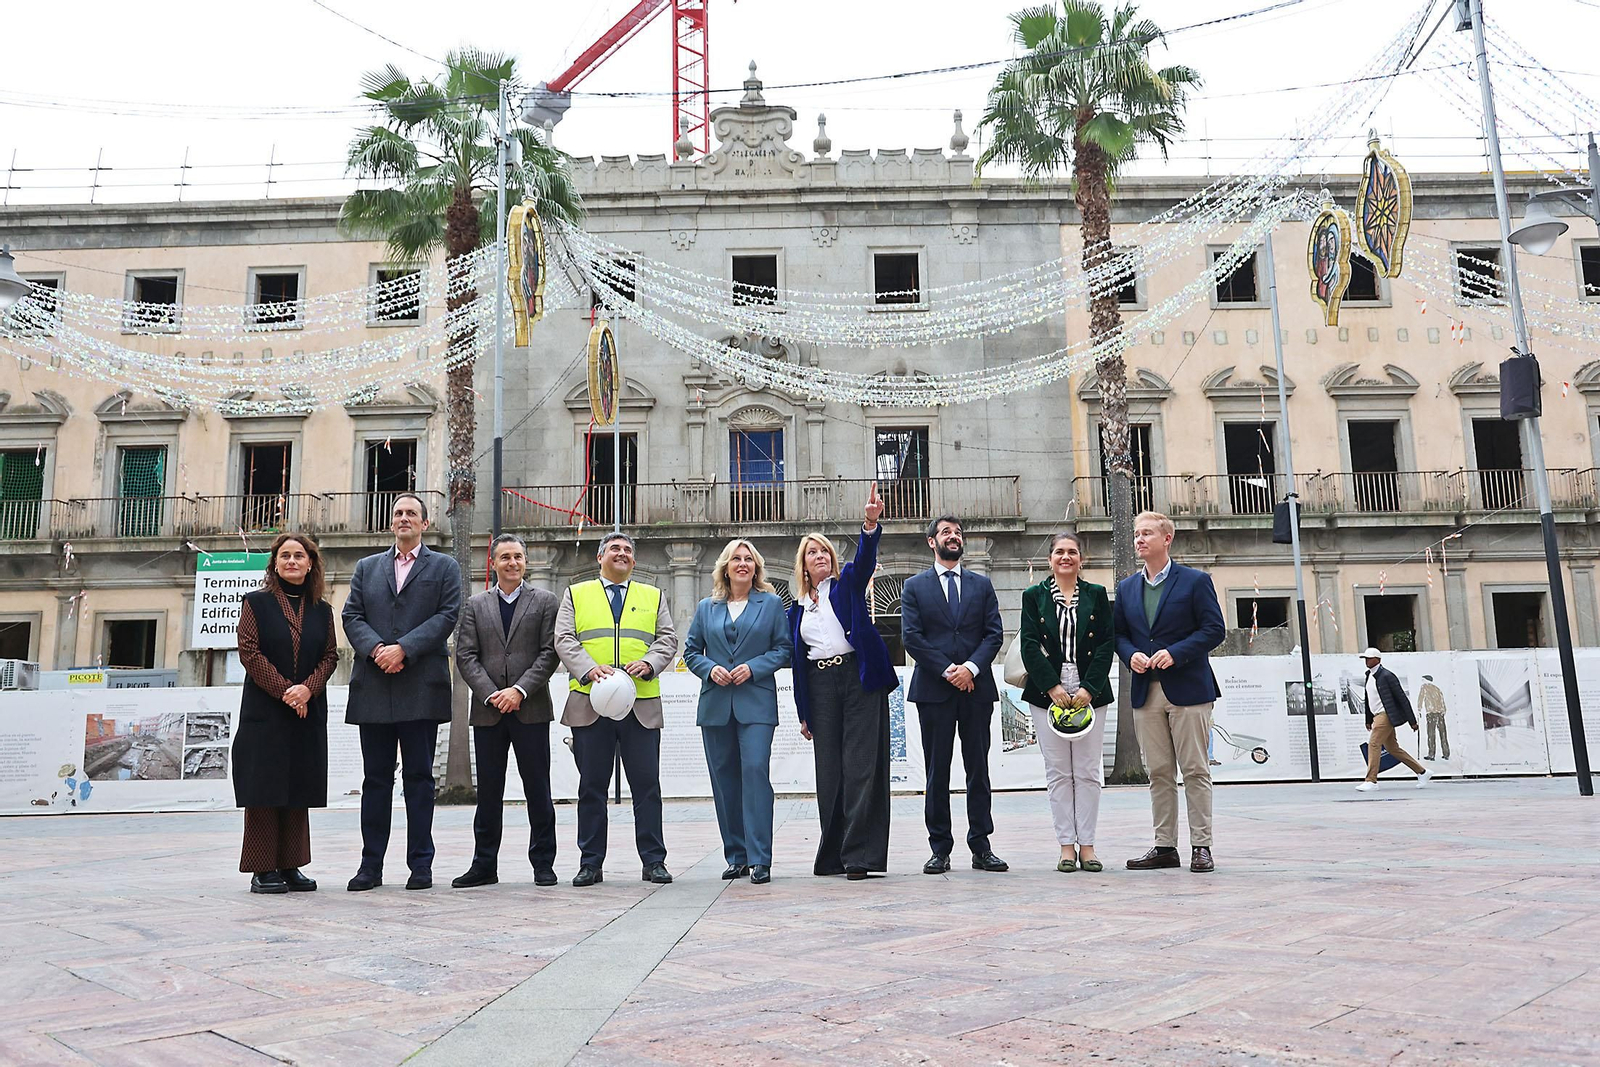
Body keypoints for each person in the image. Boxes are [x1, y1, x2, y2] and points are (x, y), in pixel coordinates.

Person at [341, 492, 461, 892]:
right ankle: (370, 866)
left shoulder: (444, 566)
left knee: (419, 779)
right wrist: (377, 649)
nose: (404, 518)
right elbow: (351, 615)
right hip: (373, 684)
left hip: (419, 687)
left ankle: (420, 866)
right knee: (375, 780)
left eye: (412, 513)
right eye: (398, 513)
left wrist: (404, 649)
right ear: (391, 523)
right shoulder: (366, 567)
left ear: (425, 524)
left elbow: (447, 615)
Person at [554, 531, 679, 887]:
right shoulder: (576, 594)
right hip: (590, 704)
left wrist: (651, 663)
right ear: (600, 557)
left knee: (647, 786)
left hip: (640, 704)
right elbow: (563, 638)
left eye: (627, 550)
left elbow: (667, 638)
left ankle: (654, 861)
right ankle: (590, 863)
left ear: (634, 561)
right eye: (614, 549)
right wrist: (588, 668)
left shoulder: (653, 595)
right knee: (592, 786)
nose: (621, 553)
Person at [790, 486, 896, 881]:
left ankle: (860, 857)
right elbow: (798, 665)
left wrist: (869, 523)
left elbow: (865, 560)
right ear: (803, 564)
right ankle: (832, 854)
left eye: (825, 552)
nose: (820, 557)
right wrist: (804, 713)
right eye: (812, 553)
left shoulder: (847, 584)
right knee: (829, 772)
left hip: (858, 679)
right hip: (820, 687)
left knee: (860, 766)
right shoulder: (796, 610)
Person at [1113, 511, 1226, 874]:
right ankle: (1165, 846)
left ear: (1168, 538)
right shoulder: (1127, 587)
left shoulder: (1195, 581)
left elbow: (1214, 630)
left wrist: (1175, 653)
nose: (1139, 539)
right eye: (1136, 534)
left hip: (1190, 690)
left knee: (1195, 770)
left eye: (1147, 533)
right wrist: (1131, 656)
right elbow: (1120, 636)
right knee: (1158, 772)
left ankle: (1201, 846)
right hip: (1146, 692)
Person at [452, 534, 561, 889]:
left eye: (517, 557)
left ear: (525, 562)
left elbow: (550, 652)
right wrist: (491, 693)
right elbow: (465, 655)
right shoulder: (474, 604)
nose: (512, 563)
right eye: (505, 558)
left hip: (530, 708)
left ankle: (543, 863)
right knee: (488, 793)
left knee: (538, 790)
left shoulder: (545, 601)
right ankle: (484, 864)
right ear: (493, 563)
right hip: (488, 712)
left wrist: (518, 690)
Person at [901, 514, 1008, 875]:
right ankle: (939, 848)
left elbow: (994, 634)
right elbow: (912, 637)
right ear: (932, 541)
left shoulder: (982, 585)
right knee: (937, 772)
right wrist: (949, 670)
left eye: (958, 532)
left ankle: (981, 845)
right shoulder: (915, 586)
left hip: (976, 690)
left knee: (978, 770)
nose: (954, 537)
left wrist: (971, 670)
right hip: (935, 691)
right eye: (946, 532)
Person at [232, 533, 338, 894]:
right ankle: (262, 868)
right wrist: (286, 691)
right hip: (266, 710)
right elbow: (250, 651)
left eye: (299, 556)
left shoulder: (322, 611)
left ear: (311, 563)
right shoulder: (256, 603)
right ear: (275, 563)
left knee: (297, 787)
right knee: (264, 787)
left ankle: (291, 864)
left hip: (307, 710)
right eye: (285, 556)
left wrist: (308, 688)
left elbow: (330, 656)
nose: (292, 561)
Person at [683, 539, 791, 884]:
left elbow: (783, 649)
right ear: (725, 567)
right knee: (724, 780)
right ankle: (737, 855)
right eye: (736, 559)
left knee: (756, 773)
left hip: (756, 702)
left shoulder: (772, 604)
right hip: (715, 704)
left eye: (748, 559)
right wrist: (708, 668)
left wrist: (755, 667)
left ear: (756, 567)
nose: (742, 563)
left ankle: (761, 858)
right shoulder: (706, 607)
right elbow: (690, 652)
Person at [1018, 531, 1114, 873]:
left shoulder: (1098, 595)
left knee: (1088, 771)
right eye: (1059, 552)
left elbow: (1106, 643)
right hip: (1048, 691)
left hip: (1091, 690)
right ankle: (1065, 848)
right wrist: (1052, 687)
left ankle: (1087, 845)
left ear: (1081, 559)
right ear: (1050, 559)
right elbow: (1029, 644)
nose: (1066, 557)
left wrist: (1089, 687)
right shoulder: (1033, 596)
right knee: (1058, 772)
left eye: (1072, 552)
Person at [1356, 648, 1432, 792]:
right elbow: (1368, 700)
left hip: (1385, 715)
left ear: (1377, 660)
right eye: (1365, 658)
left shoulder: (1387, 676)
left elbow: (1402, 698)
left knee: (1374, 744)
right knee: (1392, 748)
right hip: (1377, 715)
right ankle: (1422, 772)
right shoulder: (1369, 676)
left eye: (1369, 658)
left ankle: (1371, 781)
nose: (1366, 661)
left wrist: (1412, 721)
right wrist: (1368, 719)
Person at [1419, 673, 1450, 761]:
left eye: (1423, 679)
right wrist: (1443, 711)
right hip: (1440, 713)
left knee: (1431, 734)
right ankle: (1446, 753)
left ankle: (1431, 754)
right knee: (1443, 734)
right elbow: (1442, 701)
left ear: (1426, 680)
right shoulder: (1437, 689)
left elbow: (1421, 698)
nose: (1422, 681)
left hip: (1431, 713)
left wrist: (1419, 709)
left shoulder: (1424, 687)